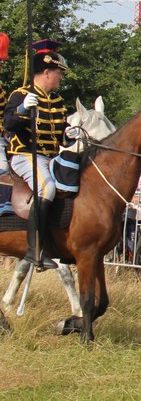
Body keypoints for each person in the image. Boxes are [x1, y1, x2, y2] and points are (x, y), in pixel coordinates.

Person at [3, 39, 70, 270]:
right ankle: (34, 249)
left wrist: (70, 135)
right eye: (58, 73)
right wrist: (23, 109)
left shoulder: (57, 100)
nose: (61, 78)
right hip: (26, 156)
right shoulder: (21, 94)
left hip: (52, 158)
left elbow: (61, 136)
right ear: (46, 72)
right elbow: (9, 125)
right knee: (47, 188)